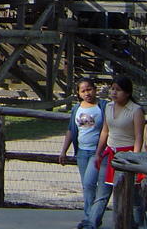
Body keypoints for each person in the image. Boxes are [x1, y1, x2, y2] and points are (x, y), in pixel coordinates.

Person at [81, 75, 146, 229]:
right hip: (110, 154)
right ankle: (91, 223)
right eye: (112, 89)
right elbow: (105, 131)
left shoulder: (136, 110)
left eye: (118, 90)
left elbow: (138, 136)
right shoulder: (109, 107)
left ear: (128, 93)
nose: (114, 93)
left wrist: (134, 160)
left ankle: (141, 225)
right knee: (102, 193)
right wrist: (98, 152)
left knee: (134, 196)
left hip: (127, 154)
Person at [59, 78, 107, 226]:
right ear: (78, 93)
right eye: (83, 91)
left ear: (95, 89)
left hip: (97, 152)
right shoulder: (76, 109)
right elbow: (71, 130)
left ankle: (90, 218)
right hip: (82, 152)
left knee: (89, 183)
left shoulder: (103, 106)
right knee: (87, 186)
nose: (87, 93)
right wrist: (64, 151)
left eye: (89, 89)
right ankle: (91, 218)